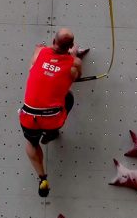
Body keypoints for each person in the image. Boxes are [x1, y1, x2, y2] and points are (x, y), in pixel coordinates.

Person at [19, 28, 88, 197]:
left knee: (32, 143)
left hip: (29, 117)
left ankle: (42, 177)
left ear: (53, 41)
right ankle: (51, 133)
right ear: (71, 46)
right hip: (52, 118)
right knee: (68, 97)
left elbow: (31, 67)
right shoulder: (74, 63)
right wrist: (72, 56)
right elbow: (76, 77)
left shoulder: (40, 52)